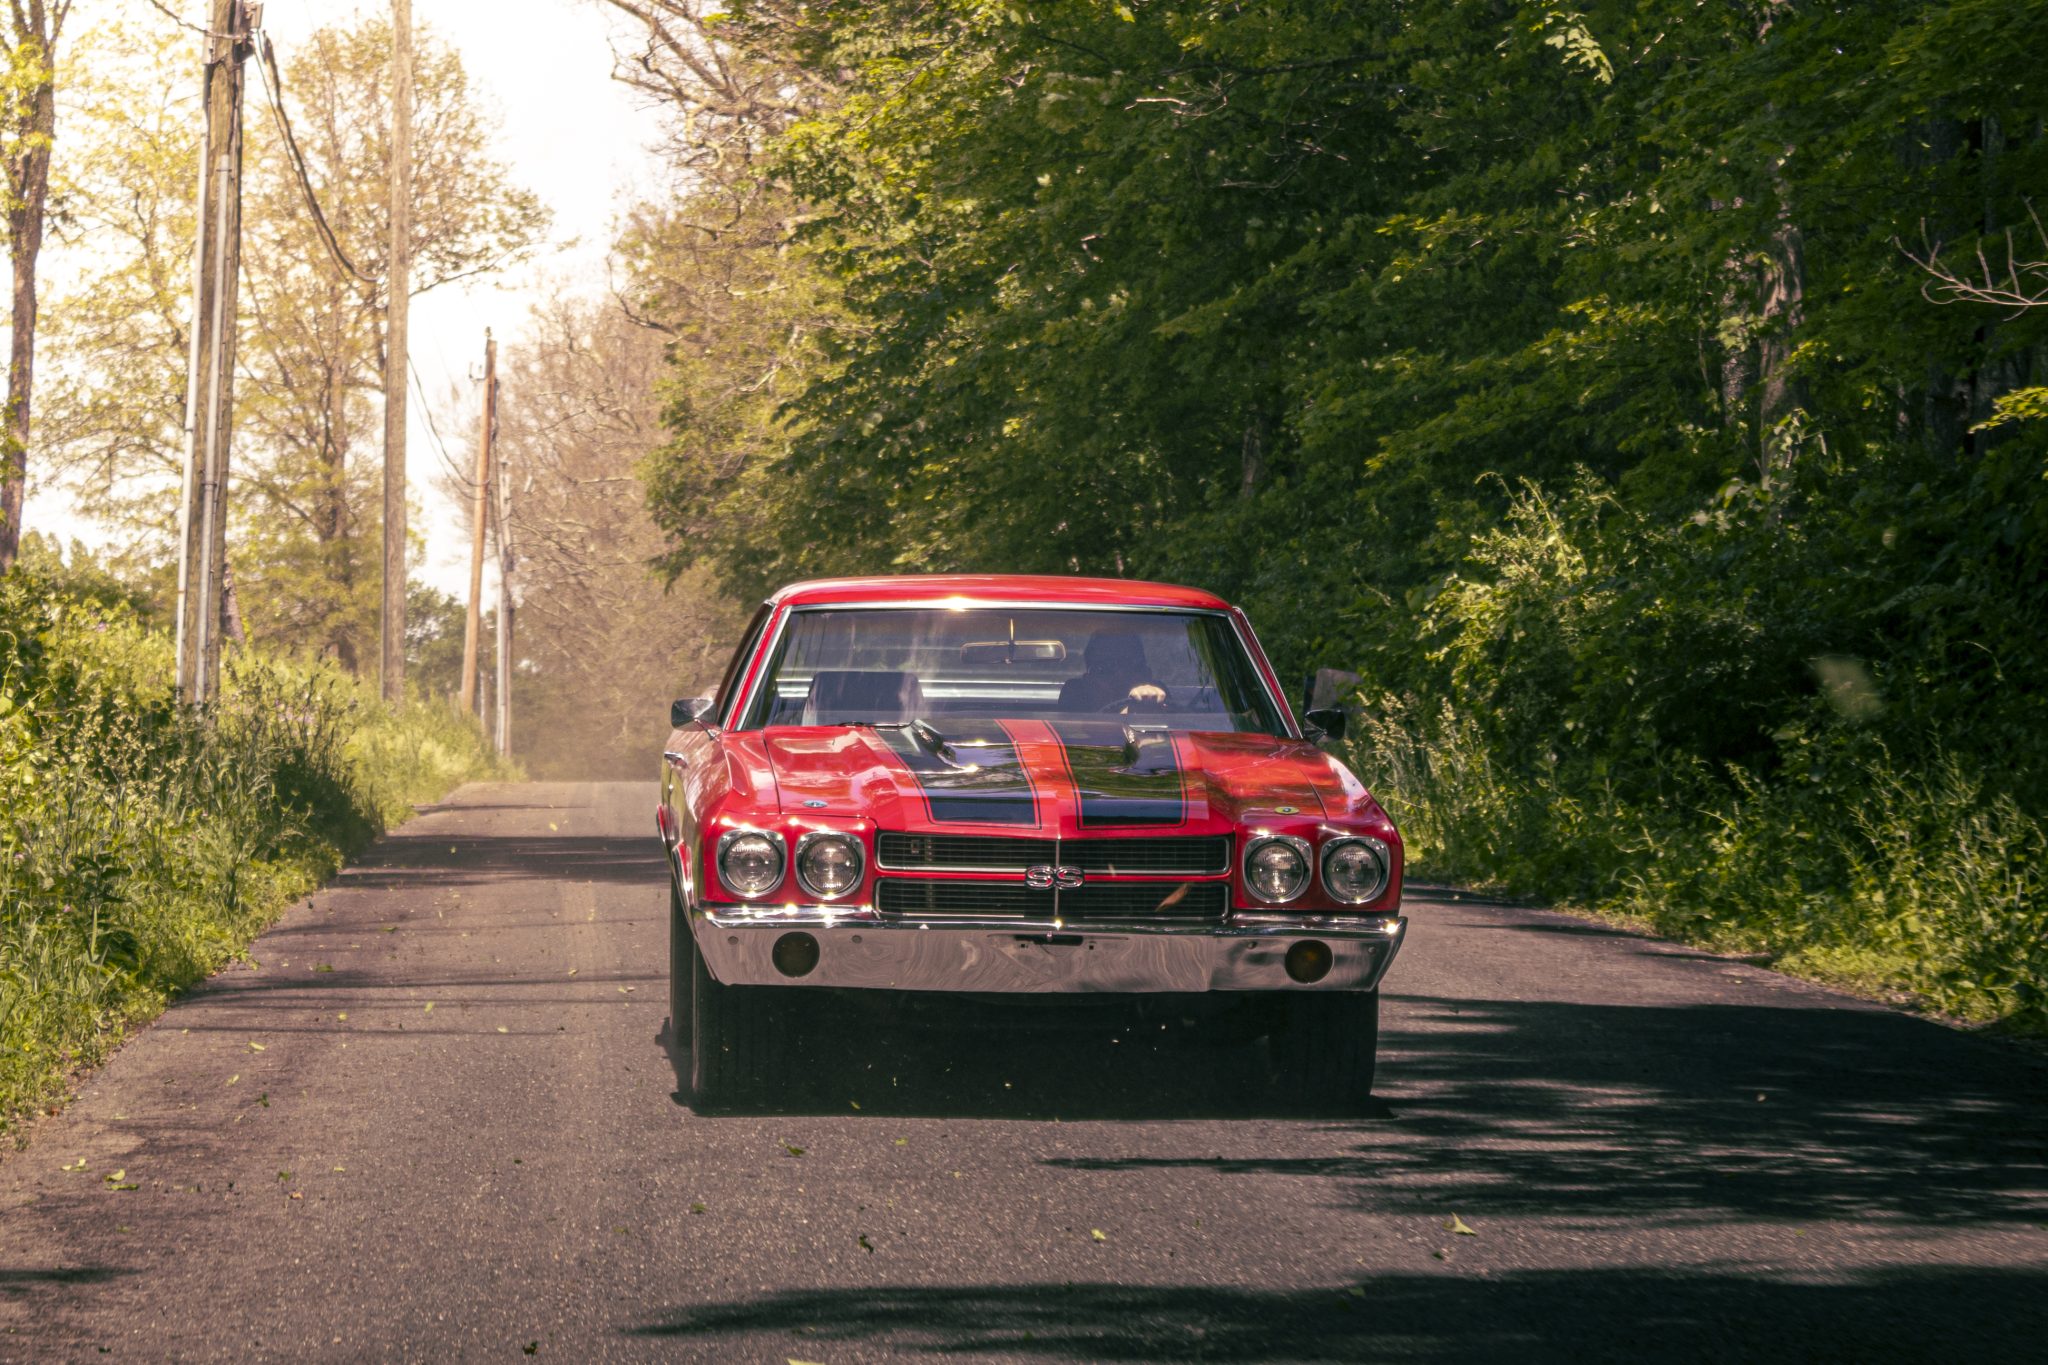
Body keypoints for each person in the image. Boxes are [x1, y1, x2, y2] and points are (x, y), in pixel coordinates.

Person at [1057, 631, 1167, 713]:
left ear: (1145, 674)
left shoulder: (1161, 698)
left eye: (1129, 666)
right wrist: (1127, 713)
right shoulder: (1074, 695)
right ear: (1089, 679)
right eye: (1105, 669)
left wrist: (1153, 704)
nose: (1119, 676)